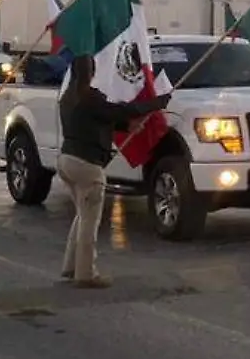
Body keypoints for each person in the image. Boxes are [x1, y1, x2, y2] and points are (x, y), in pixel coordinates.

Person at [57, 53, 169, 288]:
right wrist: (158, 102)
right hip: (88, 165)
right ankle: (86, 274)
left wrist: (127, 127)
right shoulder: (91, 98)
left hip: (67, 160)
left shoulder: (68, 98)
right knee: (90, 222)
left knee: (82, 216)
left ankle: (71, 266)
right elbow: (123, 110)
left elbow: (98, 120)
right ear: (92, 73)